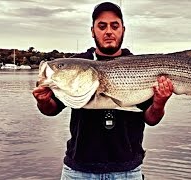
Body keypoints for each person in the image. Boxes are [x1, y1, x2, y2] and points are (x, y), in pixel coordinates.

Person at [32, 2, 173, 179]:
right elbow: (51, 109)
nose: (108, 31)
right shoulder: (80, 63)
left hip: (128, 171)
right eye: (102, 26)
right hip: (78, 170)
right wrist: (43, 101)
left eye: (114, 26)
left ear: (123, 30)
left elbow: (151, 119)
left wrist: (160, 102)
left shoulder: (139, 66)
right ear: (92, 31)